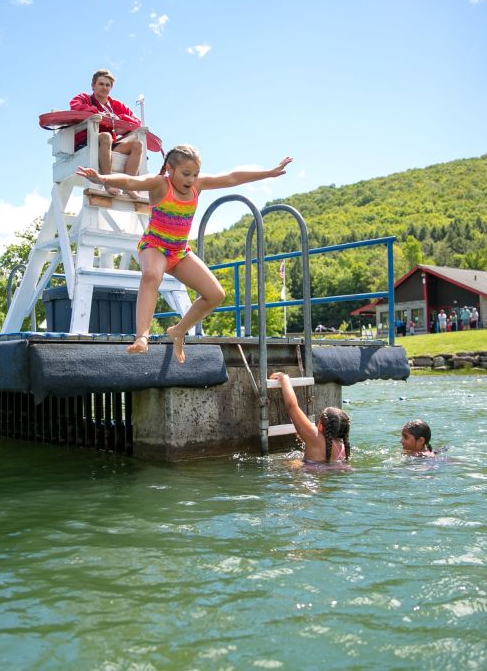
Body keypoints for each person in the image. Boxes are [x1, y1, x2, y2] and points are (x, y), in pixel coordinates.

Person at [76, 145, 293, 362]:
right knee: (152, 275)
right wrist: (103, 179)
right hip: (155, 247)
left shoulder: (197, 185)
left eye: (196, 174)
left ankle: (178, 331)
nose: (191, 179)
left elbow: (231, 177)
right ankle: (142, 336)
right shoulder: (160, 183)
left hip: (179, 252)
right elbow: (131, 182)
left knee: (215, 294)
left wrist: (269, 172)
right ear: (170, 169)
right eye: (186, 174)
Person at [70, 69, 144, 196]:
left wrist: (120, 118)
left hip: (109, 145)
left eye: (107, 85)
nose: (104, 88)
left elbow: (137, 121)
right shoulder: (84, 98)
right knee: (106, 136)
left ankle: (129, 186)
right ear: (93, 86)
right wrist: (97, 112)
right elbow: (74, 106)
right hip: (87, 142)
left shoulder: (116, 104)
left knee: (138, 145)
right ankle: (108, 183)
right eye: (101, 84)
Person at [270, 371, 351, 469]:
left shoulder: (314, 436)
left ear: (321, 425)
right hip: (325, 473)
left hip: (307, 478)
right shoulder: (343, 448)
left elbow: (292, 407)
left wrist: (284, 378)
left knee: (284, 464)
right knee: (295, 461)